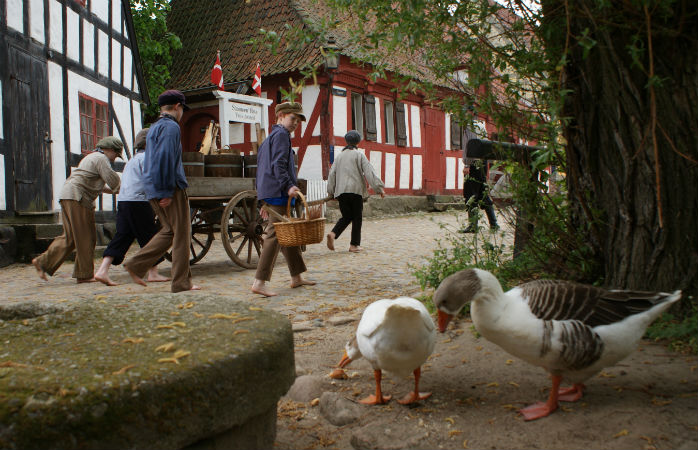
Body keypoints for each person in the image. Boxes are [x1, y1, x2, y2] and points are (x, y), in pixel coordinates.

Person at [123, 89, 200, 292]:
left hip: (154, 188)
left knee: (169, 231)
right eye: (182, 108)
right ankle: (181, 282)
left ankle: (135, 264)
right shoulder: (171, 128)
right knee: (182, 234)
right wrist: (166, 191)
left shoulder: (154, 128)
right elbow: (165, 158)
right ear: (177, 106)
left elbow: (153, 160)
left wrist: (157, 190)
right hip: (171, 188)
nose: (182, 112)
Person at [32, 137, 123, 283]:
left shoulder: (91, 157)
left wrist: (115, 191)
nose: (114, 159)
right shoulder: (101, 158)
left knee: (71, 237)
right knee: (87, 237)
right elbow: (113, 180)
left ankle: (43, 262)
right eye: (116, 155)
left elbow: (97, 185)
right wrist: (126, 188)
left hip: (68, 195)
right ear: (111, 150)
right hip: (78, 198)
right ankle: (84, 274)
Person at [250, 101, 315, 297]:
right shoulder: (281, 136)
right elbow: (278, 165)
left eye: (298, 120)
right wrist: (288, 186)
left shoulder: (270, 138)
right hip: (278, 191)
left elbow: (262, 169)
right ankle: (259, 282)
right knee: (275, 235)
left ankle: (296, 277)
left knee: (288, 231)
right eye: (292, 118)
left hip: (271, 191)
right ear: (280, 117)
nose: (295, 123)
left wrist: (263, 199)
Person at [94, 128, 170, 286]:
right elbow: (151, 180)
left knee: (123, 236)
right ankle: (153, 273)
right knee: (151, 236)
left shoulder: (132, 160)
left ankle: (102, 270)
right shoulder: (147, 159)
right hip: (138, 202)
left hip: (124, 201)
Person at [326, 130, 385, 252]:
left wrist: (331, 191)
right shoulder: (359, 155)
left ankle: (333, 233)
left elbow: (332, 174)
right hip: (355, 191)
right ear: (358, 142)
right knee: (357, 218)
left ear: (347, 141)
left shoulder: (339, 157)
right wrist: (379, 188)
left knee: (347, 216)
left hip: (341, 192)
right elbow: (369, 172)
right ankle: (354, 245)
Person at [460, 128, 498, 232]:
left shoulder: (469, 127)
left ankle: (473, 225)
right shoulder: (481, 125)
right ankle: (494, 223)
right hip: (482, 163)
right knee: (482, 194)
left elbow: (471, 146)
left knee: (470, 194)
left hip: (474, 163)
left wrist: (467, 164)